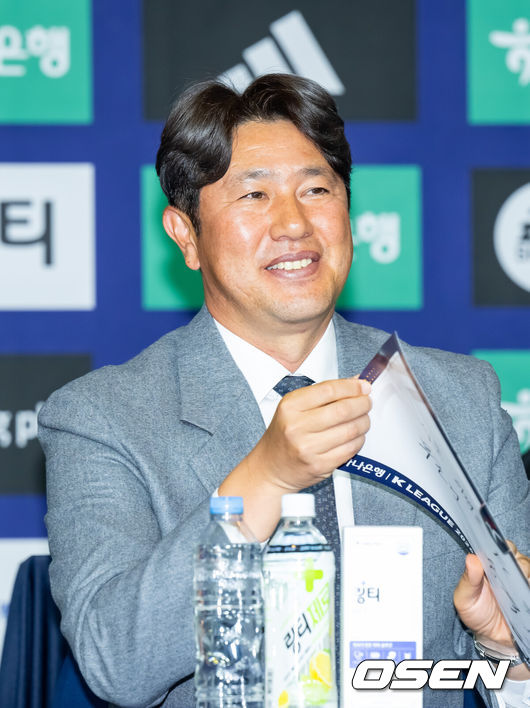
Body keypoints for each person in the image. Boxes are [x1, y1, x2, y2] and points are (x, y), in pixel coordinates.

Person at [38, 74, 529, 708]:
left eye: (316, 190)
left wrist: (505, 651)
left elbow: (507, 657)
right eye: (254, 195)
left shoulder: (459, 399)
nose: (293, 223)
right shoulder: (104, 418)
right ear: (186, 235)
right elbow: (116, 661)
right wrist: (264, 481)